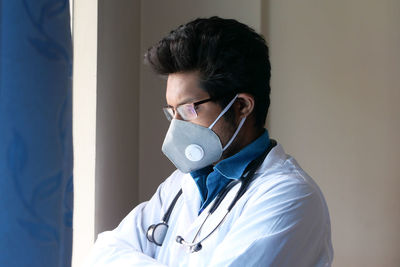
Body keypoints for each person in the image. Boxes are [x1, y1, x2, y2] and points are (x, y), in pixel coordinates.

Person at [85, 16, 333, 266]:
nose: (176, 126)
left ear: (241, 106)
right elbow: (103, 252)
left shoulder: (289, 197)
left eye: (188, 110)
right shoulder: (182, 184)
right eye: (172, 111)